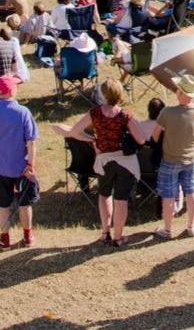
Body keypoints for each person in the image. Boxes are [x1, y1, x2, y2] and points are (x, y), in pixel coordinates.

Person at [53, 78, 147, 247]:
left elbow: (74, 132)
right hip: (125, 161)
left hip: (104, 160)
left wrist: (92, 140)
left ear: (103, 95)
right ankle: (118, 237)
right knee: (121, 200)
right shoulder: (125, 115)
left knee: (104, 195)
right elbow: (141, 139)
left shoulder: (94, 113)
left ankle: (105, 232)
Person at [0, 75, 38, 249]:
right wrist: (31, 165)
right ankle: (28, 237)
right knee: (24, 203)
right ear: (13, 90)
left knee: (3, 205)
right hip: (21, 167)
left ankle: (4, 239)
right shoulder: (23, 112)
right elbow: (31, 141)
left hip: (0, 167)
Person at [151, 74, 194, 239]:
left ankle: (167, 230)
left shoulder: (167, 112)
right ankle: (191, 226)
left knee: (168, 196)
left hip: (170, 159)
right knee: (191, 192)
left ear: (180, 92)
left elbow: (155, 135)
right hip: (191, 159)